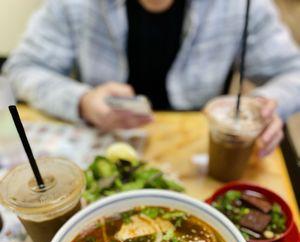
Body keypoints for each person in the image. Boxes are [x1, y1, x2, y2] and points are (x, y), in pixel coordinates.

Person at [3, 0, 300, 157]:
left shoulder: (243, 6)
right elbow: (22, 68)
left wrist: (266, 105)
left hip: (199, 149)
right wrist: (83, 101)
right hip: (105, 142)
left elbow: (293, 72)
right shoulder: (72, 4)